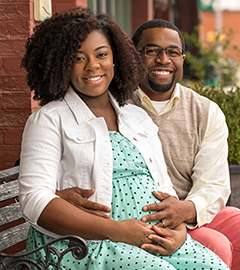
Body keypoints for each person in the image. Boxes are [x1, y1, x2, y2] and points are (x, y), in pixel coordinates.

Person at [18, 7, 229, 270]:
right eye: (78, 57)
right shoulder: (49, 120)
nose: (92, 65)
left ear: (115, 59)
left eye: (101, 54)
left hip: (149, 238)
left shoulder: (135, 117)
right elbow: (35, 201)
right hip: (85, 246)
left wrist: (178, 233)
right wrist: (116, 230)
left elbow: (164, 188)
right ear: (62, 64)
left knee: (214, 266)